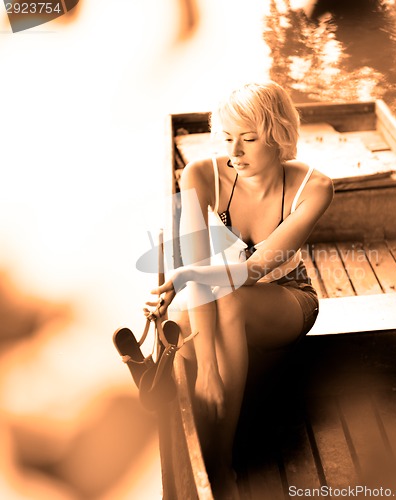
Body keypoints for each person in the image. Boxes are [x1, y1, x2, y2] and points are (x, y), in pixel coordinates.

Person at [144, 81, 333, 498]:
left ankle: (218, 458)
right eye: (228, 139)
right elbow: (197, 264)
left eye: (249, 139)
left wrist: (184, 278)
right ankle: (214, 436)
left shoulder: (315, 187)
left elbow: (250, 272)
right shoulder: (199, 174)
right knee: (194, 314)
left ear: (279, 135)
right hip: (216, 294)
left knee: (211, 300)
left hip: (286, 298)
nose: (236, 152)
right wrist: (187, 278)